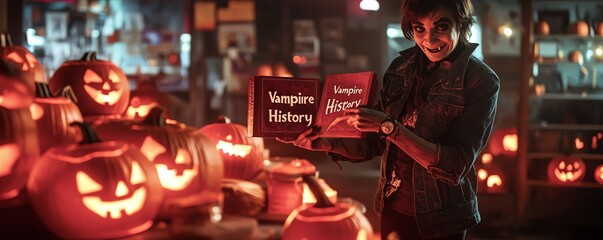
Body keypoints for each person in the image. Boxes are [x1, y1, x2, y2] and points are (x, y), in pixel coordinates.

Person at [278, 0, 499, 239]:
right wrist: (325, 142)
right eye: (419, 28)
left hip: (441, 218)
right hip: (392, 208)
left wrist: (388, 127)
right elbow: (375, 143)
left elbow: (454, 166)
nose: (430, 40)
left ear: (461, 24)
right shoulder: (401, 68)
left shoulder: (481, 81)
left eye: (441, 26)